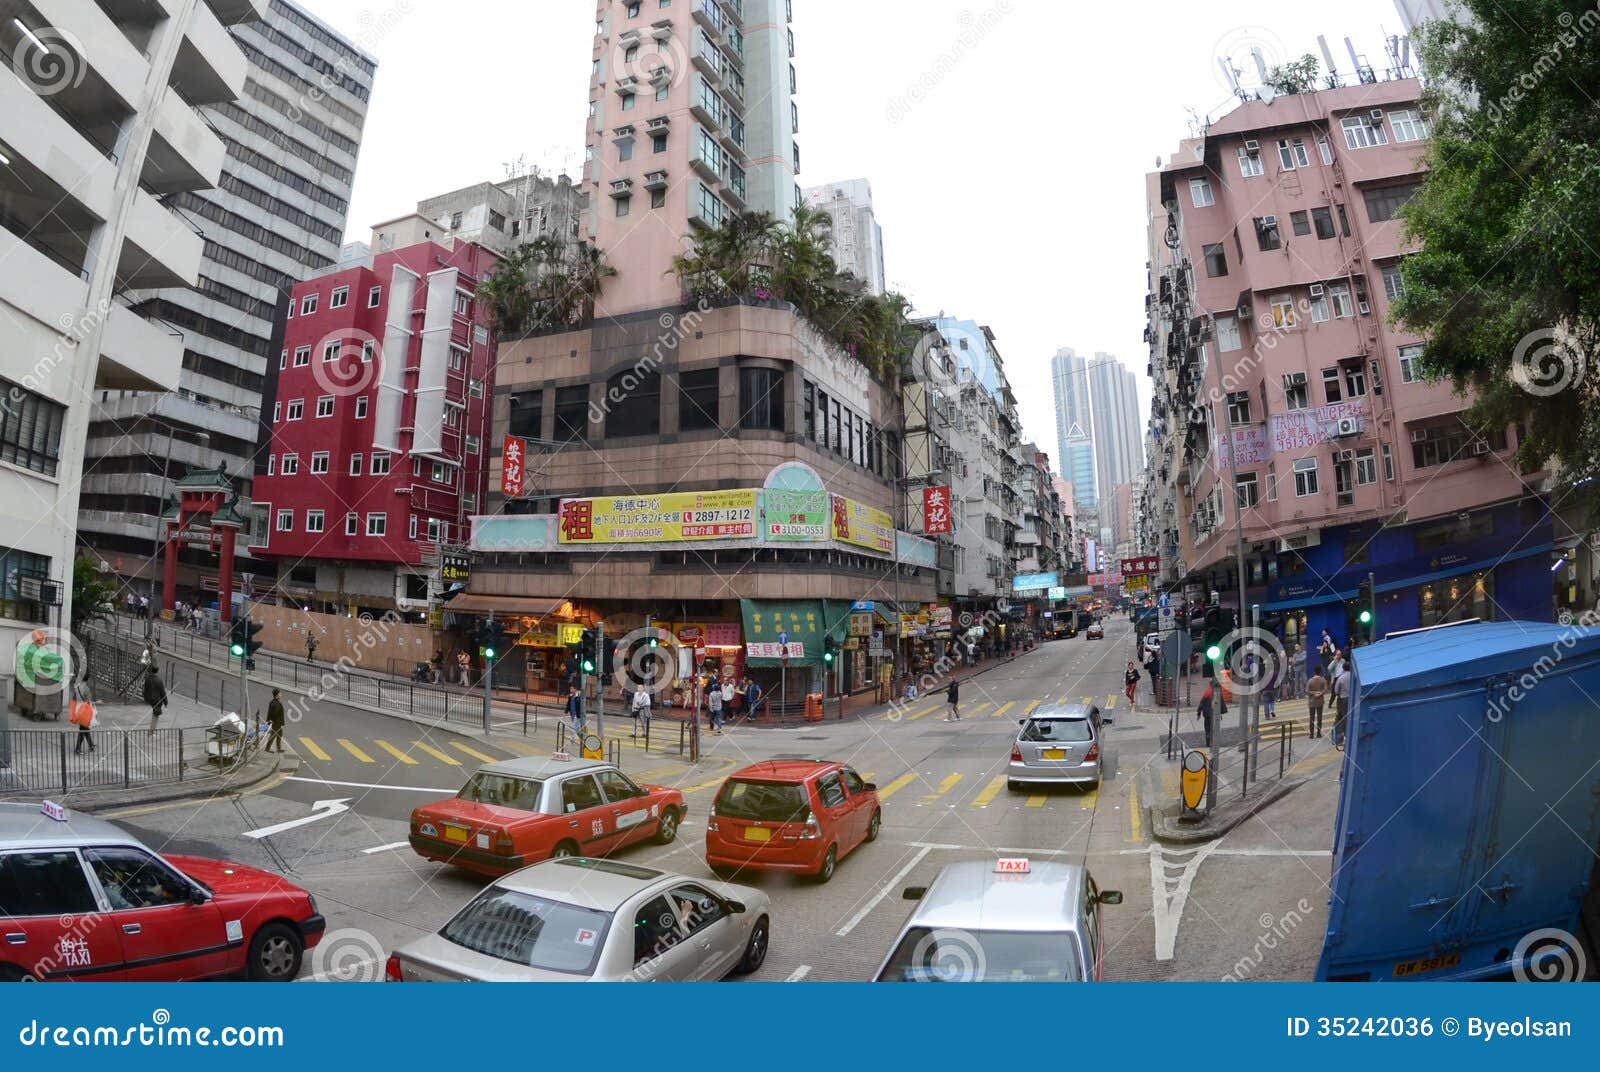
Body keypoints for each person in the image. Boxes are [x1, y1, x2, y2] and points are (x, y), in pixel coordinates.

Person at [1333, 662, 1353, 749]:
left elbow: (1336, 691)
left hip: (1343, 699)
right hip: (1353, 697)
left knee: (1343, 717)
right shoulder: (1354, 676)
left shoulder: (1341, 677)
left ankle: (1345, 736)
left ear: (1343, 668)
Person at [142, 664, 167, 735]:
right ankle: (151, 731)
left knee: (155, 714)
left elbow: (145, 690)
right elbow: (163, 692)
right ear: (157, 671)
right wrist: (165, 702)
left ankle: (151, 731)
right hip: (157, 700)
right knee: (156, 715)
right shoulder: (159, 680)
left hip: (150, 699)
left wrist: (146, 698)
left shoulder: (147, 679)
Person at [1305, 664, 1328, 739]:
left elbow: (1307, 691)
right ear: (1320, 671)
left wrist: (1314, 693)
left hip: (1312, 701)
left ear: (1314, 671)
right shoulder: (1323, 680)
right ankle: (1318, 733)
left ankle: (1311, 734)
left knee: (1312, 718)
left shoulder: (1310, 681)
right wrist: (1320, 693)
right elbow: (1325, 689)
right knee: (1319, 717)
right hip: (1320, 701)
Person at [265, 688, 287, 753]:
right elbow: (275, 714)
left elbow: (269, 713)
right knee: (273, 735)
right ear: (277, 695)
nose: (281, 694)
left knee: (279, 735)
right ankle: (267, 748)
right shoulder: (277, 704)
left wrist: (269, 720)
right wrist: (274, 721)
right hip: (277, 723)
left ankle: (278, 748)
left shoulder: (272, 702)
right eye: (280, 693)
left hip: (276, 723)